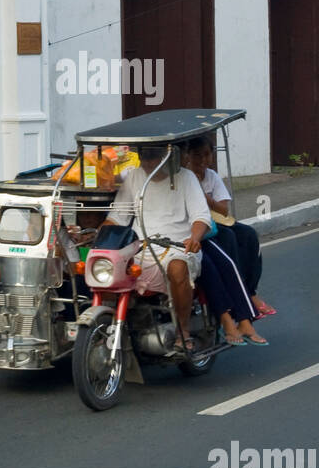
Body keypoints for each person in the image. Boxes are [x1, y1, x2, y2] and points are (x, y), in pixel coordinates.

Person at [103, 143, 211, 350]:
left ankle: (183, 330)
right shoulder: (134, 177)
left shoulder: (186, 177)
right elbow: (117, 216)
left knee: (178, 268)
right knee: (107, 266)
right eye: (144, 156)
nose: (148, 162)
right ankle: (110, 325)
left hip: (179, 247)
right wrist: (98, 237)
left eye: (153, 156)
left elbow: (201, 217)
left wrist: (195, 238)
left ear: (168, 156)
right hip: (141, 247)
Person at [184, 138, 275, 322]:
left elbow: (223, 209)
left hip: (219, 220)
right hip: (199, 224)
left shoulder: (211, 176)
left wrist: (204, 197)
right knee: (229, 239)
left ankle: (250, 291)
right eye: (197, 155)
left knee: (249, 235)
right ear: (188, 156)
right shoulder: (185, 176)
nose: (202, 159)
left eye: (206, 155)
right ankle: (239, 294)